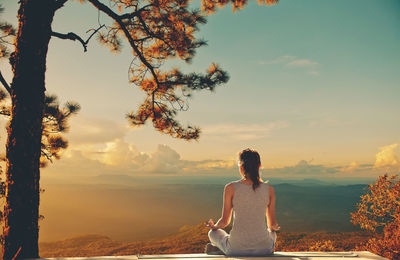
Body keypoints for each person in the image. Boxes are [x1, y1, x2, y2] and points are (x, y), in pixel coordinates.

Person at [204, 148, 280, 256]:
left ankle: (222, 248)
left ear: (241, 167)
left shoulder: (230, 188)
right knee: (272, 233)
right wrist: (274, 228)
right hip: (264, 250)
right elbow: (272, 225)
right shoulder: (269, 189)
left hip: (235, 249)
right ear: (259, 166)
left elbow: (225, 222)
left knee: (212, 233)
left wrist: (214, 226)